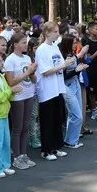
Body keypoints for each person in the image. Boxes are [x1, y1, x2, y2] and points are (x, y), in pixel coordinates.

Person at [35, 22, 76, 154]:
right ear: (47, 33)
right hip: (47, 90)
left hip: (58, 88)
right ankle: (46, 150)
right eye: (55, 32)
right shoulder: (41, 49)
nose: (58, 34)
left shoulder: (54, 47)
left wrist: (66, 64)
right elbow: (45, 71)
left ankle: (56, 147)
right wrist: (64, 65)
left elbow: (59, 64)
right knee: (48, 121)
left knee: (57, 119)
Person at [4, 34, 38, 169]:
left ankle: (24, 155)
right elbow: (11, 81)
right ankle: (16, 157)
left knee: (26, 126)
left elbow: (33, 78)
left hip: (29, 94)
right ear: (15, 44)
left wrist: (33, 72)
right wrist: (27, 72)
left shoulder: (27, 58)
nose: (26, 45)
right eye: (23, 42)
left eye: (26, 42)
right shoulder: (10, 60)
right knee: (18, 128)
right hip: (17, 96)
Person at [59, 33, 89, 148]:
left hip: (75, 83)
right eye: (74, 42)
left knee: (75, 114)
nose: (76, 44)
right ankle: (70, 141)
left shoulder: (71, 53)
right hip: (67, 86)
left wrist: (79, 69)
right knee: (76, 115)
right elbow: (63, 76)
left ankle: (71, 140)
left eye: (77, 42)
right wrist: (77, 70)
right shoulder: (62, 55)